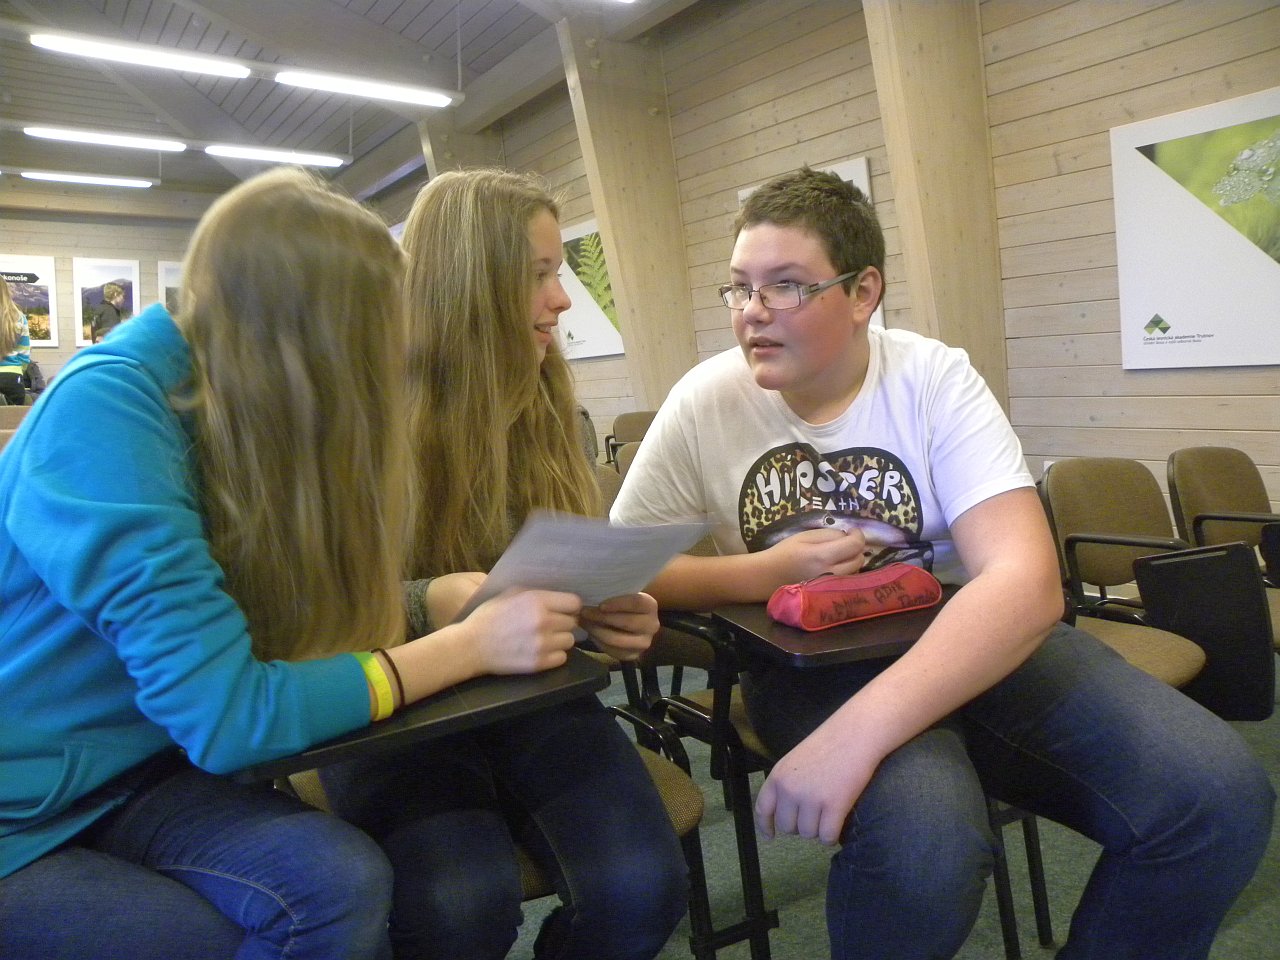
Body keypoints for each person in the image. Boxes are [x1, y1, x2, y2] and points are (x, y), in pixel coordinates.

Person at [610, 166, 1274, 960]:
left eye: (786, 285)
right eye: (741, 287)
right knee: (927, 851)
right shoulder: (704, 401)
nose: (753, 311)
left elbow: (1024, 585)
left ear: (863, 293)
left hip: (966, 636)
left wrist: (857, 736)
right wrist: (763, 573)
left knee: (1217, 799)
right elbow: (625, 568)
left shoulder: (931, 377)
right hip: (812, 665)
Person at [0, 167, 591, 960]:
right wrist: (464, 647)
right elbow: (229, 719)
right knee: (214, 940)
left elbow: (277, 631)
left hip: (138, 772)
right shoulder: (108, 413)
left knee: (342, 883)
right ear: (310, 345)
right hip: (20, 814)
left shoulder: (235, 404)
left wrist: (430, 603)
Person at [318, 168, 688, 960]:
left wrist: (603, 611)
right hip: (396, 710)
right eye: (538, 274)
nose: (561, 299)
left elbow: (556, 567)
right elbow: (316, 611)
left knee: (643, 888)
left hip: (528, 696)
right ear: (470, 284)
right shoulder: (354, 415)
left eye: (560, 273)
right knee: (460, 907)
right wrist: (433, 599)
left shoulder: (549, 398)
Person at [0, 280, 31, 407]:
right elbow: (24, 355)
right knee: (13, 419)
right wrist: (17, 370)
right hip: (13, 377)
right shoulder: (20, 318)